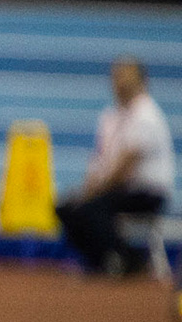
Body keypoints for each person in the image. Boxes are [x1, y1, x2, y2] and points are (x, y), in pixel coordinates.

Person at [56, 57, 173, 276]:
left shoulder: (146, 115)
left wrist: (93, 194)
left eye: (125, 76)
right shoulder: (111, 116)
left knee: (91, 208)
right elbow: (99, 160)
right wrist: (87, 189)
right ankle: (100, 260)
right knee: (67, 208)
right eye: (116, 76)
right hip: (119, 189)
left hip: (146, 191)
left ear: (141, 81)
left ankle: (130, 260)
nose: (119, 82)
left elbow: (125, 167)